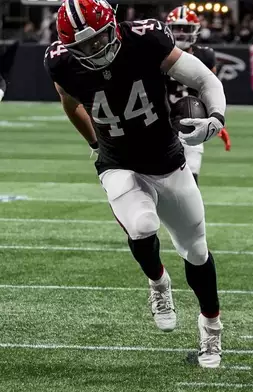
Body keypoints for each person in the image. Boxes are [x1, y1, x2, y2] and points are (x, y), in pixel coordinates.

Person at [44, 0, 227, 368]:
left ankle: (211, 327)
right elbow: (68, 102)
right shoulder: (61, 62)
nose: (95, 51)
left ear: (114, 24)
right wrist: (96, 144)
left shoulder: (146, 39)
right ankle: (158, 283)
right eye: (84, 47)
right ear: (68, 46)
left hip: (167, 160)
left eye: (99, 40)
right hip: (118, 162)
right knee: (142, 225)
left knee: (196, 251)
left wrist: (216, 118)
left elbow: (205, 79)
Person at [165, 5, 230, 184]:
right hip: (161, 123)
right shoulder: (159, 54)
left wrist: (216, 119)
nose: (180, 34)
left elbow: (211, 89)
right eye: (176, 29)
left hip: (193, 121)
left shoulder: (205, 55)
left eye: (185, 29)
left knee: (191, 181)